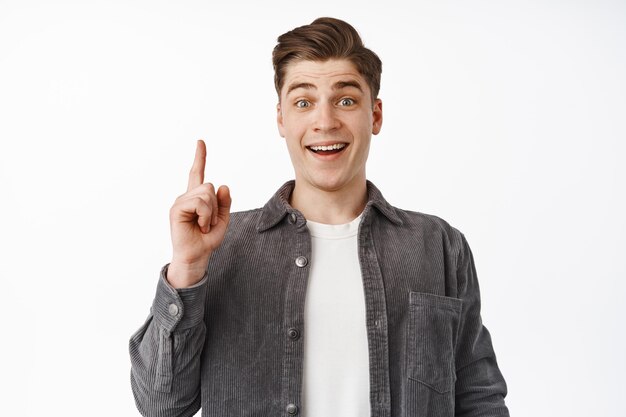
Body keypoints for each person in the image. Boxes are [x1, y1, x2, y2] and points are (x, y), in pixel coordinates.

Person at [129, 17, 509, 417]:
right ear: (281, 118)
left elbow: (479, 399)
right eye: (303, 102)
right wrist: (186, 269)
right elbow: (161, 405)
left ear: (375, 115)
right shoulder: (220, 246)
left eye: (345, 100)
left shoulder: (439, 246)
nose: (325, 121)